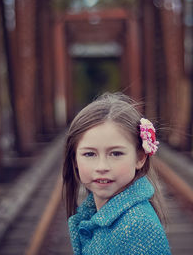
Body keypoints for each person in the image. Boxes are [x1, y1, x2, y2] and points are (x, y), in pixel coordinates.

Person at [63, 92, 171, 255]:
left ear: (140, 157)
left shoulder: (138, 228)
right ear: (75, 161)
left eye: (116, 154)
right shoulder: (98, 213)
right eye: (89, 154)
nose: (102, 167)